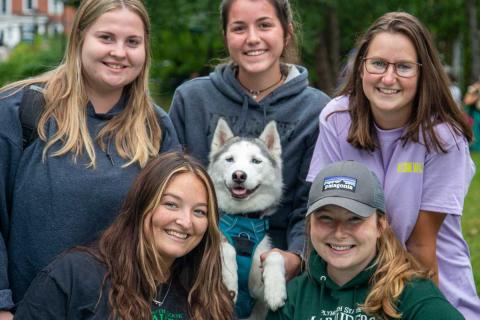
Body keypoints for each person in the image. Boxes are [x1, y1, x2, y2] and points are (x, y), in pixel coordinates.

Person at [0, 0, 179, 316]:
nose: (119, 52)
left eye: (132, 42)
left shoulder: (156, 128)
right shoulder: (21, 111)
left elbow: (172, 227)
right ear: (79, 37)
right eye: (106, 38)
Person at [307, 12, 479, 318]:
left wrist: (424, 310)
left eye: (403, 67)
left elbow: (421, 245)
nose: (388, 78)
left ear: (423, 73)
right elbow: (326, 214)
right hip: (356, 280)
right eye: (378, 64)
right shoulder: (336, 119)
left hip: (430, 281)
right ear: (361, 68)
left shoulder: (443, 137)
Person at [169, 0, 330, 282]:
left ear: (287, 33)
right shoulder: (191, 100)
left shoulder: (316, 111)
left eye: (265, 25)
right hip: (198, 264)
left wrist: (297, 257)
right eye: (239, 28)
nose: (252, 38)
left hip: (277, 274)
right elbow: (169, 190)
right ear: (225, 35)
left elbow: (310, 204)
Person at [14, 152, 234, 319]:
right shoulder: (75, 276)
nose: (186, 222)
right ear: (142, 204)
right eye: (171, 204)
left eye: (199, 212)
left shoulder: (208, 296)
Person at [268, 160, 464, 320]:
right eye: (325, 218)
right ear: (309, 225)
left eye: (354, 219)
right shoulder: (294, 295)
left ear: (381, 225)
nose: (339, 232)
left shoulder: (412, 295)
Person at [464, 77, 480, 151]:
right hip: (474, 115)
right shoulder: (473, 89)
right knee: (475, 132)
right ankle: (474, 146)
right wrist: (475, 94)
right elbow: (467, 101)